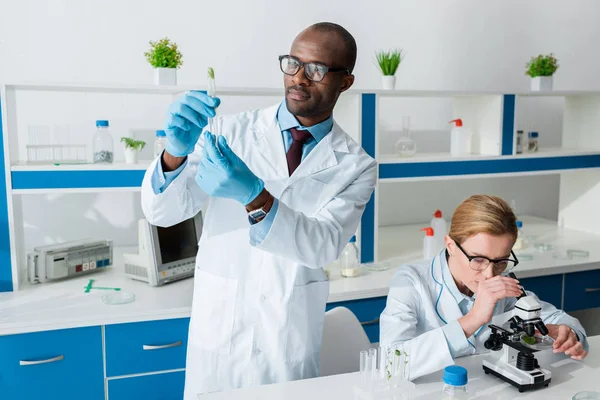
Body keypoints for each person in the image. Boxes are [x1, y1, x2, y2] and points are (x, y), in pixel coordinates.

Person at [141, 22, 377, 398]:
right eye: (292, 63)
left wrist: (255, 195)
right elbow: (163, 212)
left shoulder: (357, 165)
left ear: (345, 82)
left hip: (286, 341)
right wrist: (174, 153)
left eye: (316, 69)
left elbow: (323, 246)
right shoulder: (228, 131)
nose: (299, 78)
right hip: (220, 336)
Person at [380, 195, 588, 380]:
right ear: (450, 245)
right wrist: (473, 318)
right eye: (478, 260)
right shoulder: (410, 282)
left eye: (500, 261)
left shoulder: (502, 279)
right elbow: (391, 365)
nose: (489, 274)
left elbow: (555, 317)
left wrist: (567, 332)